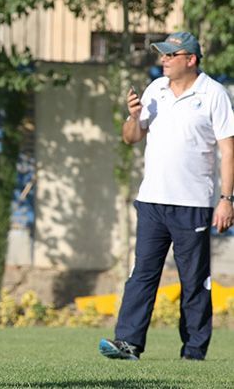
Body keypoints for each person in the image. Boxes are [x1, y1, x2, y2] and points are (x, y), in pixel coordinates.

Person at [99, 32, 234, 361]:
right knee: (142, 274)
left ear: (191, 59)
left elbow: (228, 150)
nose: (164, 59)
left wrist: (226, 199)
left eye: (171, 55)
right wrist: (132, 116)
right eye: (162, 54)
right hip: (152, 201)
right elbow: (132, 138)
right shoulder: (155, 90)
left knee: (194, 282)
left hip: (193, 205)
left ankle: (193, 351)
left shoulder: (213, 94)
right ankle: (127, 343)